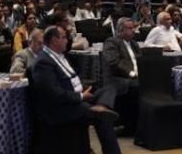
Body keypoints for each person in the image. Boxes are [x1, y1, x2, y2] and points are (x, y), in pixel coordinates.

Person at [32, 26, 122, 154]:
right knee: (102, 118)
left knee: (109, 88)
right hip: (61, 107)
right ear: (54, 40)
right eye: (64, 37)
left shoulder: (61, 56)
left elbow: (71, 79)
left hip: (76, 98)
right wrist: (80, 96)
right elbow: (53, 93)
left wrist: (84, 88)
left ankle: (101, 107)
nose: (67, 41)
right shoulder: (43, 62)